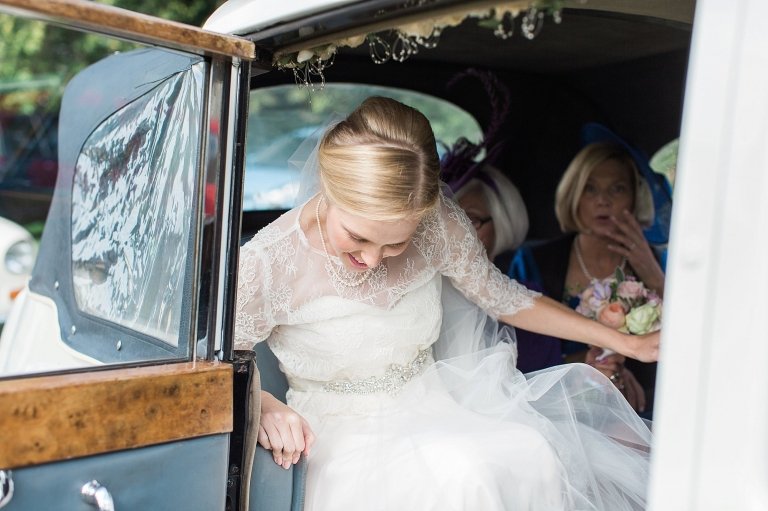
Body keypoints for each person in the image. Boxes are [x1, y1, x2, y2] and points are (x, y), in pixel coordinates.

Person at [235, 97, 657, 510]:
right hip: (340, 435)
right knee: (462, 477)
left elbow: (502, 296)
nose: (373, 259)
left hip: (436, 404)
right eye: (358, 237)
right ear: (329, 189)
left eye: (396, 242)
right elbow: (225, 365)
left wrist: (625, 342)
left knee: (532, 452)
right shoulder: (267, 263)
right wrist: (266, 403)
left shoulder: (438, 225)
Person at [511, 139, 666, 416]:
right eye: (590, 188)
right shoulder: (534, 262)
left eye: (617, 189)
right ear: (574, 194)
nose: (602, 200)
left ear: (634, 197)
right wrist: (589, 365)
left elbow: (689, 343)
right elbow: (518, 355)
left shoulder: (659, 262)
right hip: (552, 405)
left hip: (642, 407)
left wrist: (655, 277)